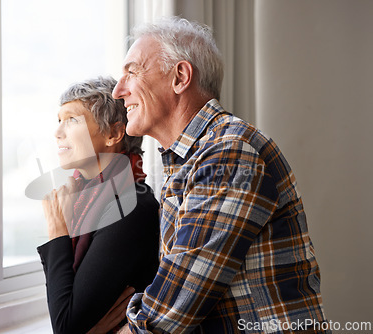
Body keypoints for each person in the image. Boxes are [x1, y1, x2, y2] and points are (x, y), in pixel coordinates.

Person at [112, 17, 328, 333]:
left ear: (180, 77)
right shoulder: (193, 158)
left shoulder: (228, 152)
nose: (119, 90)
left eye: (131, 72)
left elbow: (172, 307)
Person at [37, 77, 160, 334]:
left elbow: (66, 326)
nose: (58, 132)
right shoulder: (82, 200)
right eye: (59, 121)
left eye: (71, 120)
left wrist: (57, 230)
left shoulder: (132, 204)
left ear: (113, 134)